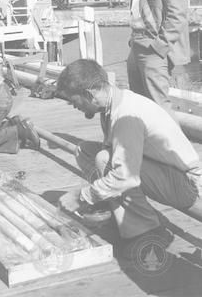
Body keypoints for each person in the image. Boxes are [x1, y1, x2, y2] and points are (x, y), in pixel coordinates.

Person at [57, 59, 202, 256]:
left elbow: (125, 177)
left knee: (104, 160)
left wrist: (81, 197)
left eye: (74, 102)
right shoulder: (113, 103)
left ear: (89, 94)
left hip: (188, 185)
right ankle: (119, 212)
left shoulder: (127, 115)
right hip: (168, 173)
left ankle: (148, 232)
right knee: (84, 151)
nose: (75, 107)